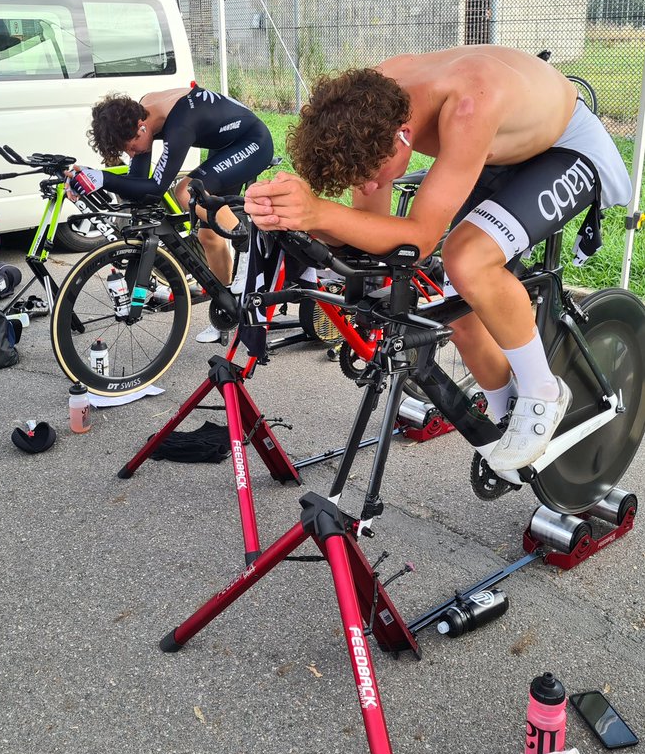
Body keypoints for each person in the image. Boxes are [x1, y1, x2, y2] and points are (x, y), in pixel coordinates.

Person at [244, 47, 631, 481]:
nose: (369, 187)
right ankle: (504, 415)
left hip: (566, 146)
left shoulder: (468, 103)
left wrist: (321, 212)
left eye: (371, 176)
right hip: (497, 150)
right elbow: (372, 233)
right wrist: (300, 217)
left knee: (467, 259)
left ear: (403, 135)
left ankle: (543, 391)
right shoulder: (372, 106)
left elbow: (420, 238)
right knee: (456, 306)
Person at [66, 84, 274, 343]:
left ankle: (250, 245)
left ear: (141, 127)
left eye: (131, 147)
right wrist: (90, 177)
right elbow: (138, 183)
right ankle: (227, 309)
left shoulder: (180, 123)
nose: (132, 153)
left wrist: (104, 179)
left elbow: (155, 189)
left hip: (253, 142)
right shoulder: (141, 114)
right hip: (226, 147)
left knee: (185, 191)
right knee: (209, 237)